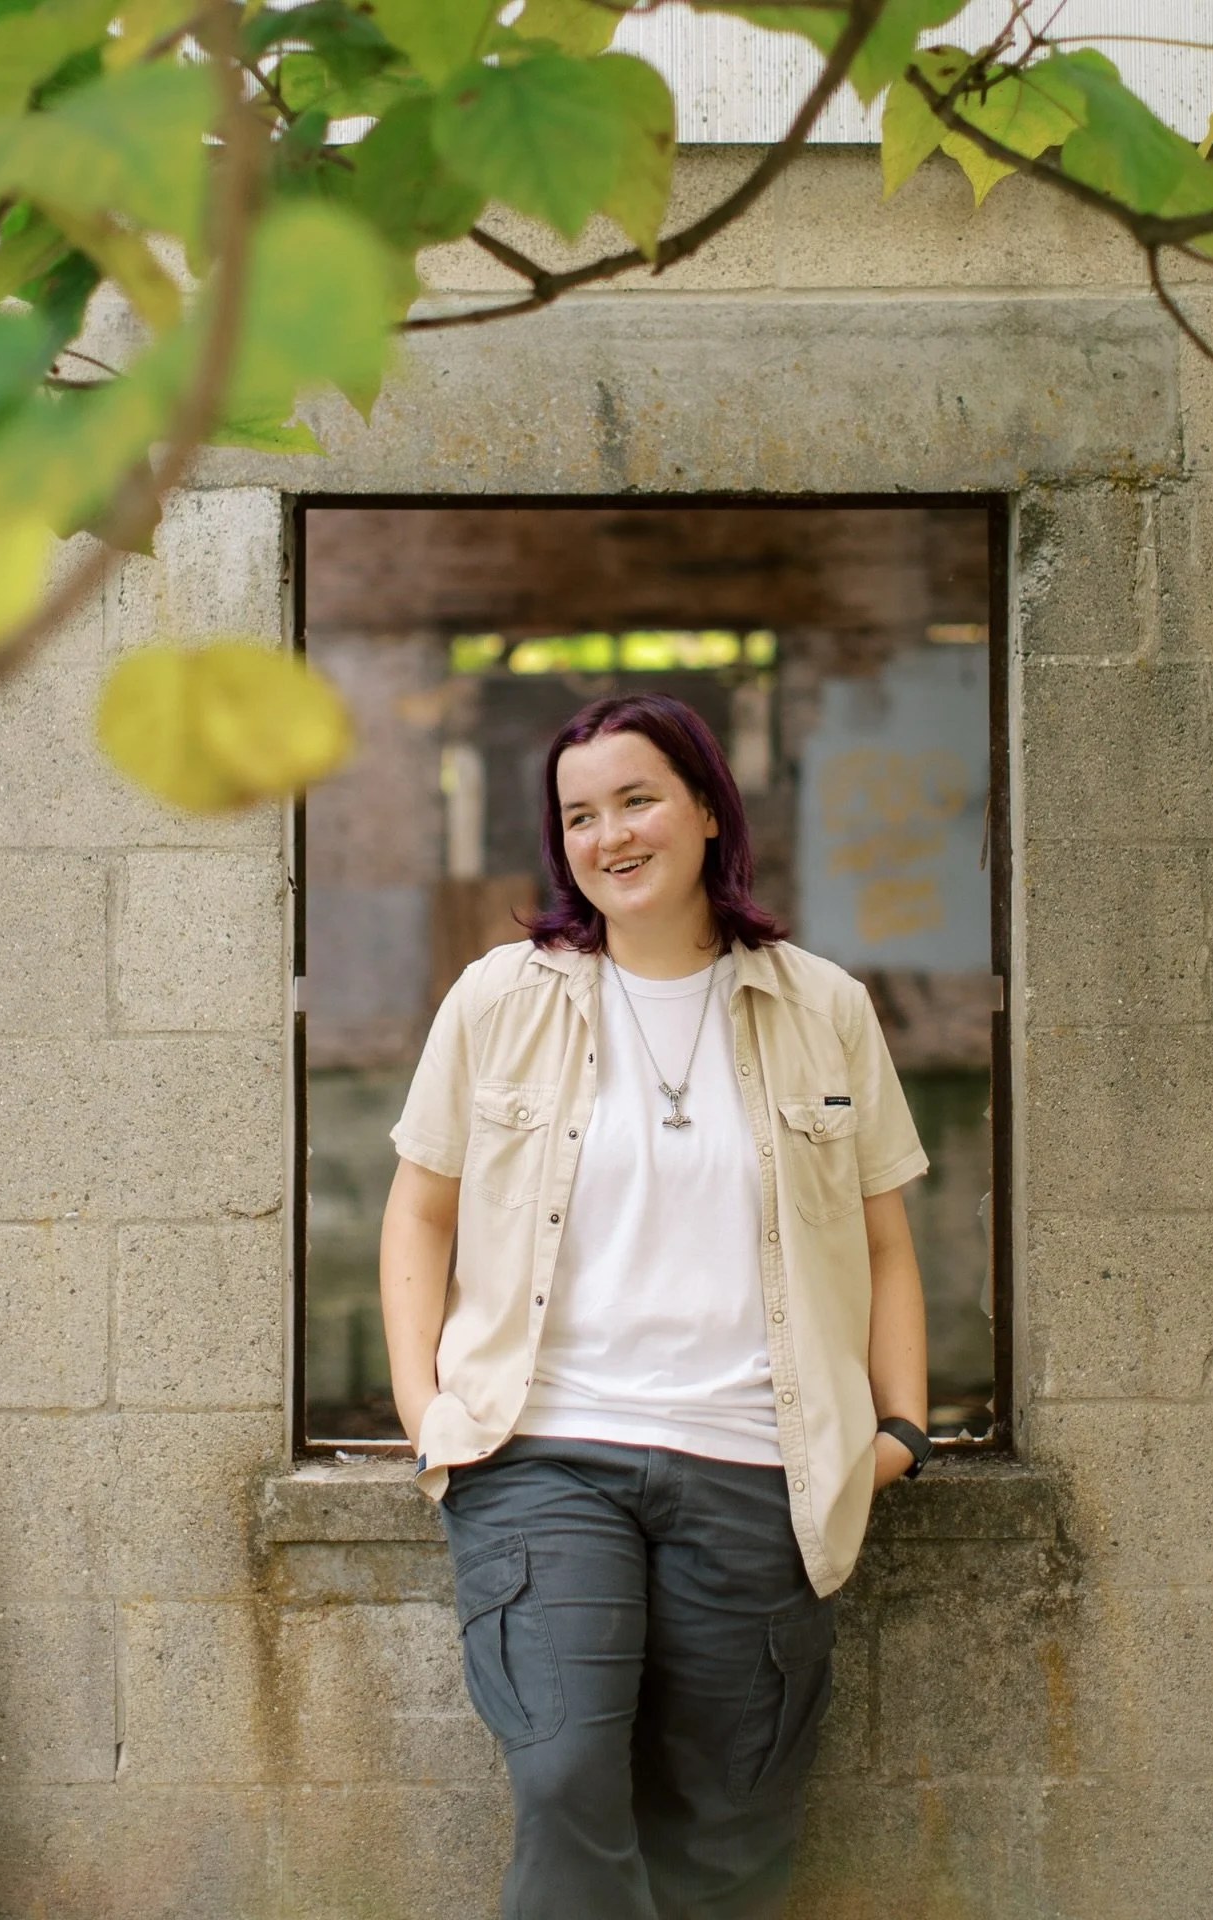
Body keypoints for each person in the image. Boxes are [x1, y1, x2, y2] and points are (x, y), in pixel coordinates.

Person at [380, 692, 931, 1920]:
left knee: (729, 1829)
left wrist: (895, 1433)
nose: (609, 835)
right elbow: (419, 1214)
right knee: (570, 1769)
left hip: (753, 1462)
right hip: (545, 1454)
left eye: (635, 800)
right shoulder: (498, 998)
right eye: (579, 815)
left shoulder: (823, 1006)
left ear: (703, 809)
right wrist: (431, 1415)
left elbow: (887, 1240)